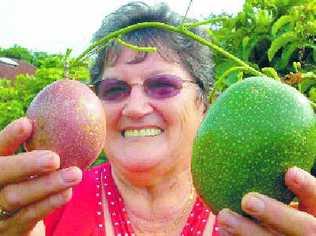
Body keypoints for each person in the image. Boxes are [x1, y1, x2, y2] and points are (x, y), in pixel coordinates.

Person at [0, 2, 315, 236]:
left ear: (205, 104)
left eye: (163, 86)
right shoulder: (40, 206)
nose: (135, 108)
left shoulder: (268, 217)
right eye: (114, 89)